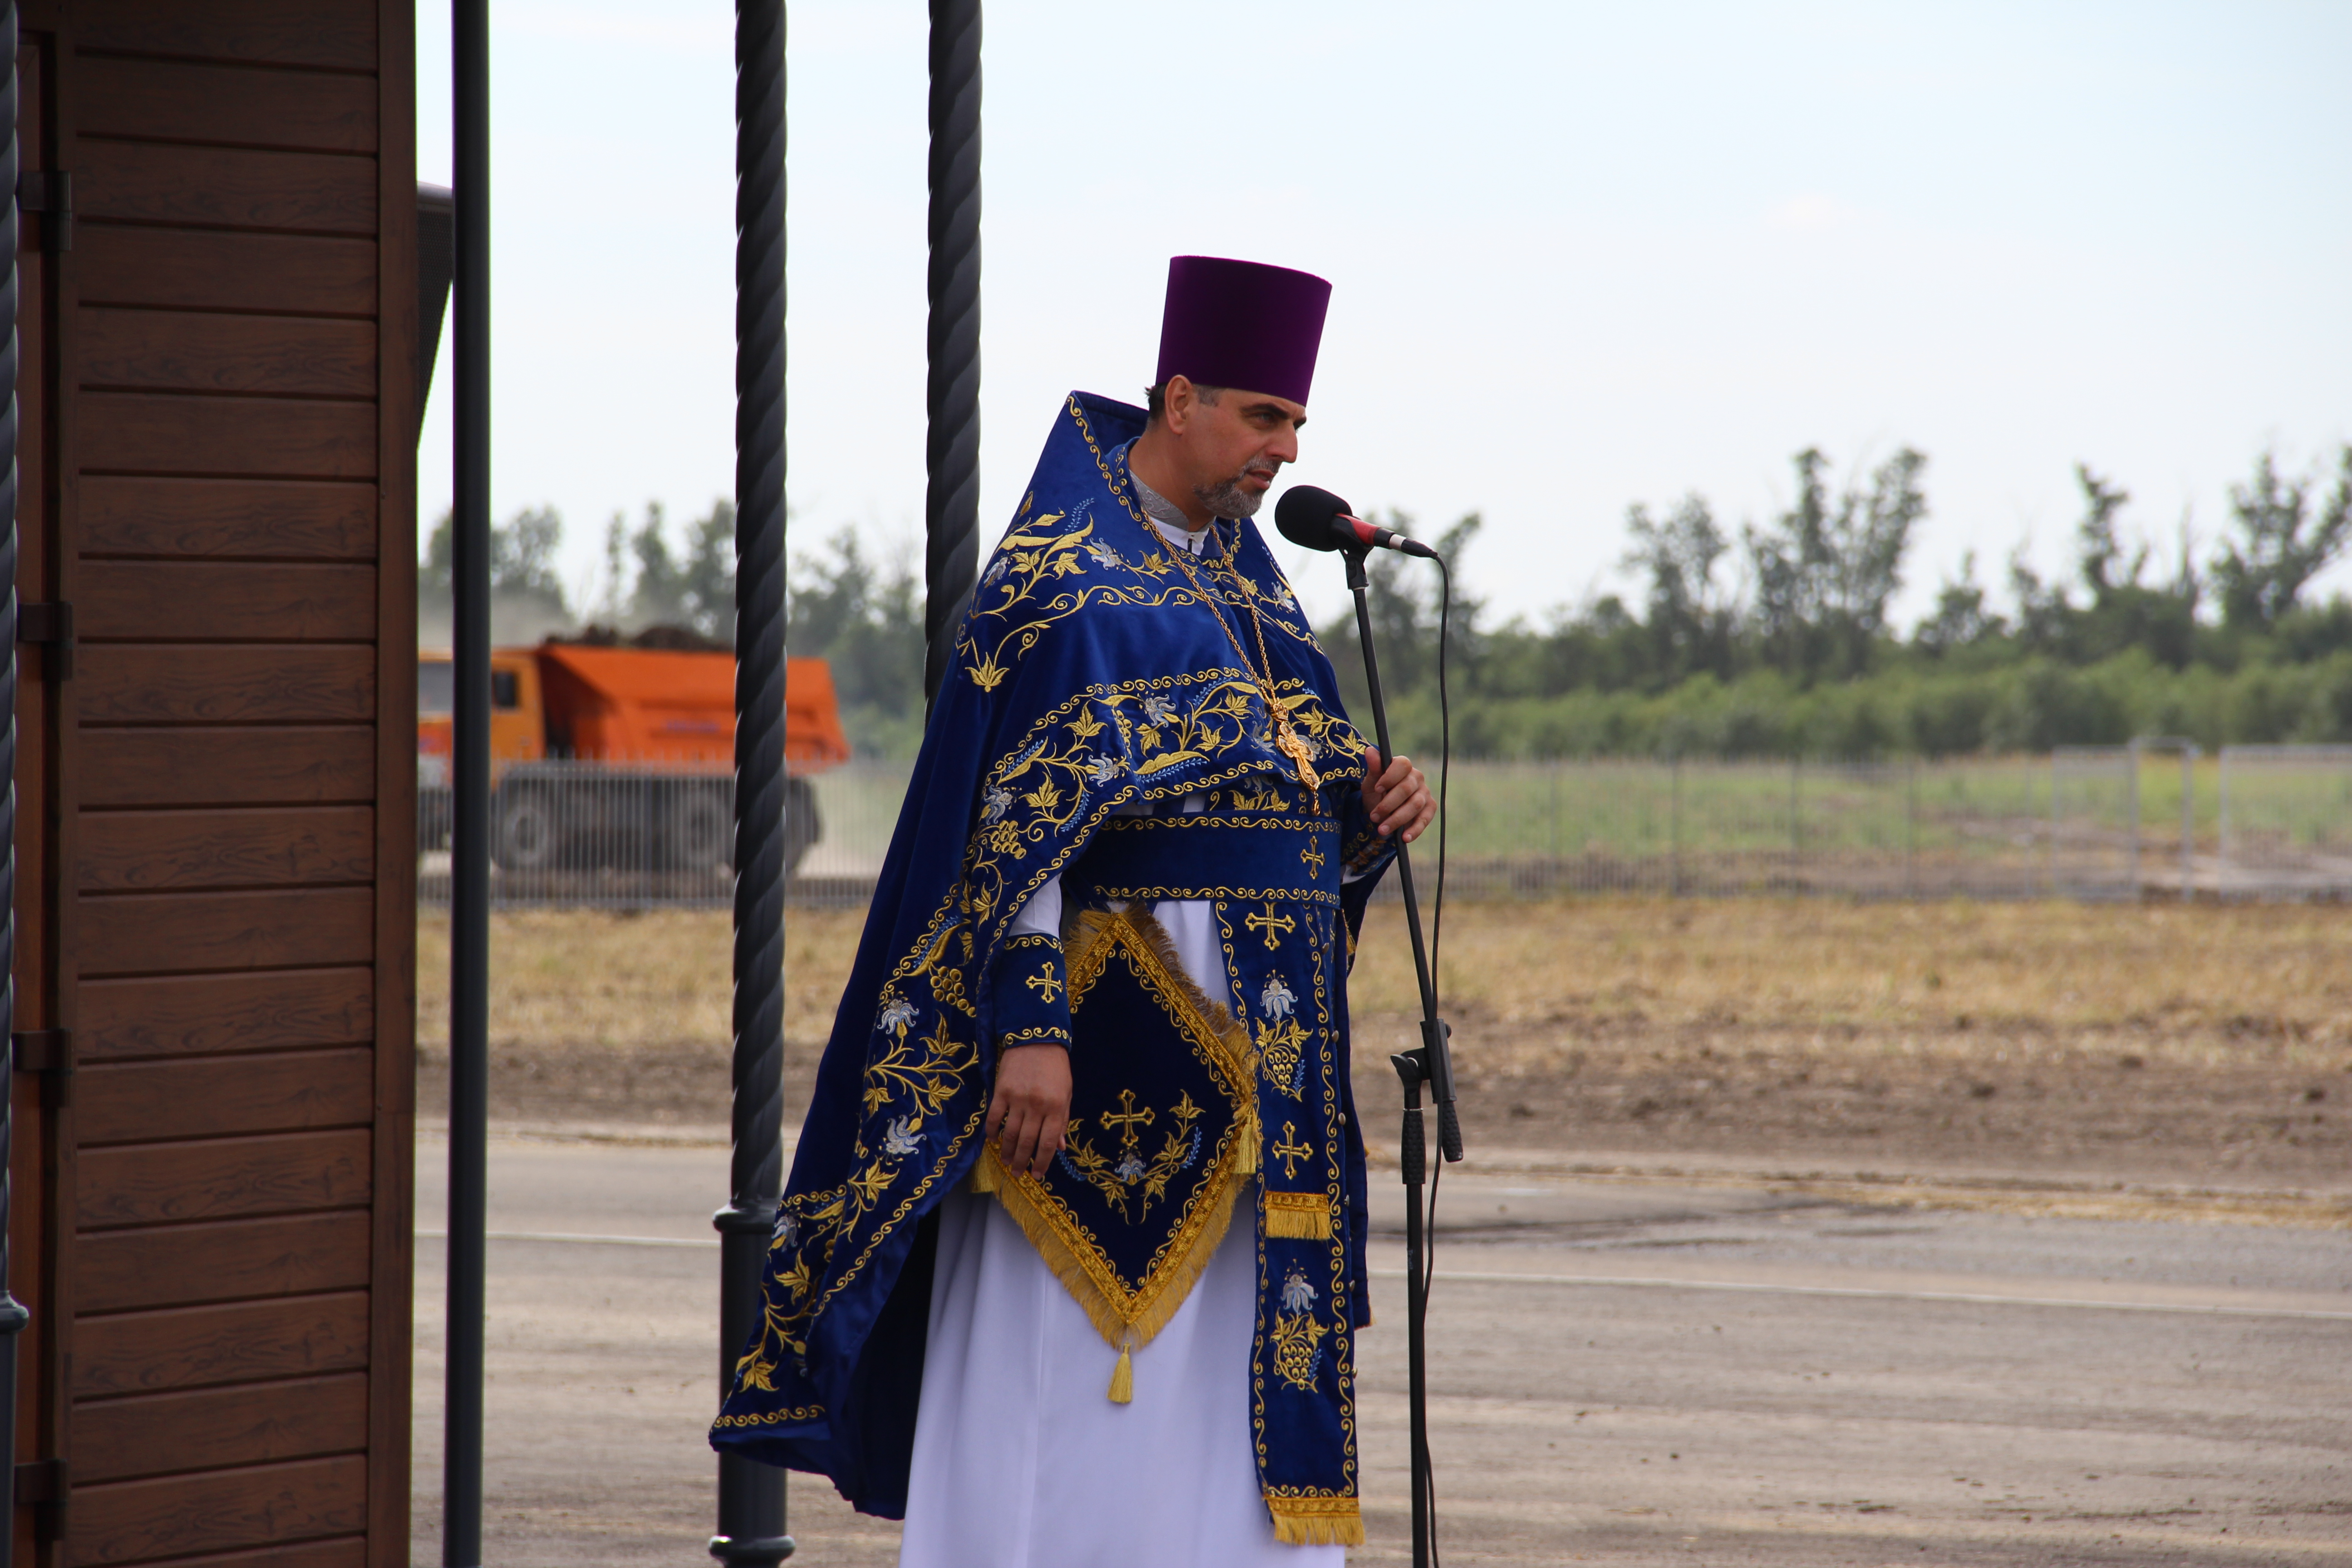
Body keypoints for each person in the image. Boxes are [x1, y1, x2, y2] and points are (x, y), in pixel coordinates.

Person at [711, 255, 1434, 1564]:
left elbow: (1272, 826)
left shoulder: (1260, 595)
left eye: (1295, 428)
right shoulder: (1058, 582)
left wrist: (1361, 819)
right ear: (1178, 396)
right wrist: (1030, 1027)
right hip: (1103, 1057)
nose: (1282, 452)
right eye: (1263, 417)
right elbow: (1011, 831)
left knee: (1223, 1395)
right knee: (1074, 1382)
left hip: (1262, 1066)